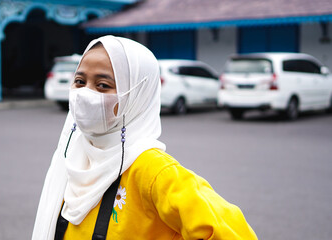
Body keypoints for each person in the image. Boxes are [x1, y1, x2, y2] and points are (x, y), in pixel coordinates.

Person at [32, 36, 258, 240]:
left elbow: (232, 232)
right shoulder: (71, 157)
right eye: (80, 82)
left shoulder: (153, 170)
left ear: (137, 95)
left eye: (103, 85)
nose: (85, 94)